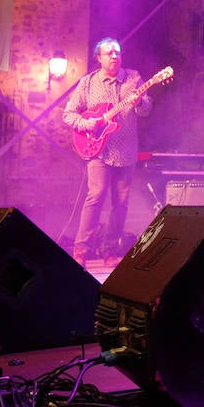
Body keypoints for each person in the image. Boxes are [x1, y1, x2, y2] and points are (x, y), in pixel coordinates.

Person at [63, 37, 154, 265]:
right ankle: (81, 250)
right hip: (99, 151)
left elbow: (146, 110)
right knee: (96, 195)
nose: (115, 56)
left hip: (126, 151)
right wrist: (87, 124)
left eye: (118, 52)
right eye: (109, 53)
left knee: (121, 203)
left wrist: (139, 102)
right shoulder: (88, 83)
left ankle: (110, 250)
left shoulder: (133, 78)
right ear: (99, 58)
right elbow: (69, 114)